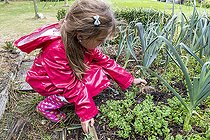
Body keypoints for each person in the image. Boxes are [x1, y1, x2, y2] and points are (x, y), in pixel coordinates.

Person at [14, 0, 147, 133]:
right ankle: (47, 106)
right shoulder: (56, 50)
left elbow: (104, 61)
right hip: (46, 81)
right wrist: (86, 112)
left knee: (98, 74)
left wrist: (129, 80)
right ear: (82, 36)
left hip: (60, 76)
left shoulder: (79, 39)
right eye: (100, 40)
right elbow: (69, 85)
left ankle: (64, 98)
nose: (101, 44)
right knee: (89, 85)